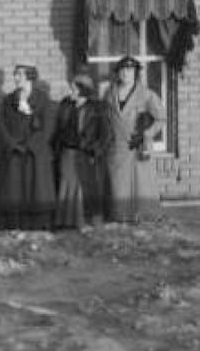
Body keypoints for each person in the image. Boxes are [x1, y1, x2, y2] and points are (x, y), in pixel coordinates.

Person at [103, 55, 165, 222]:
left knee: (142, 184)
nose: (125, 73)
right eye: (122, 69)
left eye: (130, 70)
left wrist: (147, 133)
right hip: (118, 147)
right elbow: (105, 120)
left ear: (136, 73)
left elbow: (161, 119)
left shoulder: (147, 95)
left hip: (140, 147)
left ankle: (145, 216)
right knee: (119, 185)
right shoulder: (109, 95)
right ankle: (120, 216)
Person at [0, 63, 56, 230]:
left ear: (30, 77)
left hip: (35, 155)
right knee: (15, 189)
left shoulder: (43, 100)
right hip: (15, 153)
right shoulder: (8, 101)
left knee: (37, 189)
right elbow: (2, 126)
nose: (16, 78)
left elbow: (48, 127)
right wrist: (13, 144)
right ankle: (16, 224)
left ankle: (38, 224)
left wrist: (30, 146)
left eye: (20, 75)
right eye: (15, 74)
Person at [52, 72, 110, 229]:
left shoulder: (97, 108)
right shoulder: (65, 105)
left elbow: (106, 135)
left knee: (84, 187)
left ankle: (85, 220)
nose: (71, 92)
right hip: (67, 153)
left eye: (74, 89)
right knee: (67, 185)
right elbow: (58, 129)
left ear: (83, 90)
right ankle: (66, 221)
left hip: (86, 154)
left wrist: (95, 151)